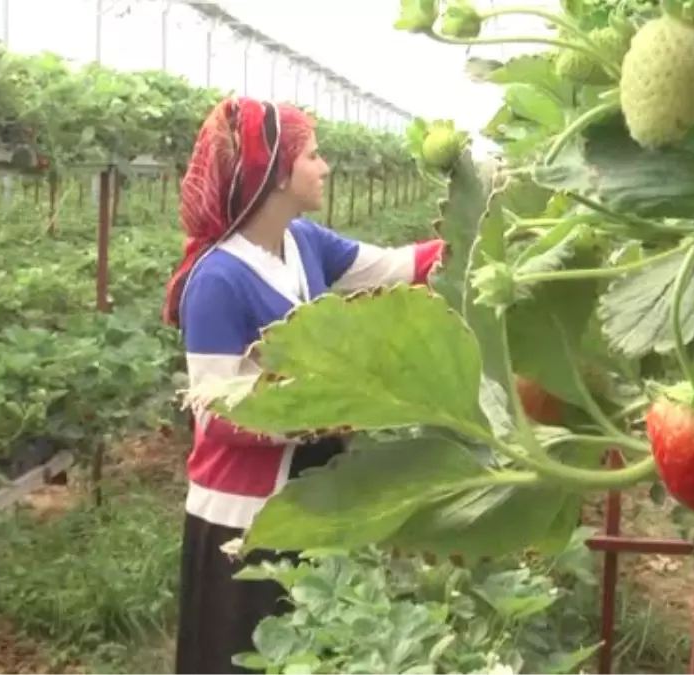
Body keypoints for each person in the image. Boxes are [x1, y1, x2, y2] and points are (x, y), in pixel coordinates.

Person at [162, 97, 445, 675]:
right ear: (276, 174)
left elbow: (394, 267)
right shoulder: (216, 280)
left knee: (309, 647)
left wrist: (488, 221)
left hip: (312, 494)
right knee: (243, 655)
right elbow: (215, 413)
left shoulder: (304, 242)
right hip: (243, 516)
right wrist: (328, 410)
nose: (326, 168)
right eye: (313, 156)